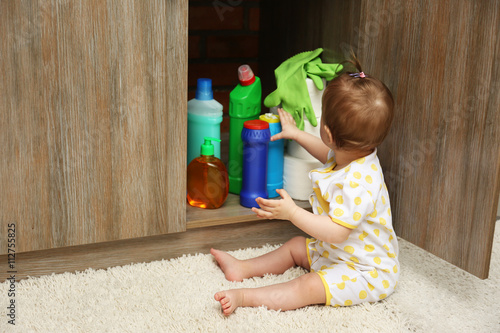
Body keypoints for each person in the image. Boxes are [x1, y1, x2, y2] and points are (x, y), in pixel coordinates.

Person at [211, 57, 399, 316]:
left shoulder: (360, 184)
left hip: (365, 271)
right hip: (338, 253)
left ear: (329, 133)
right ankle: (242, 269)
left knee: (307, 285)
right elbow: (328, 153)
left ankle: (245, 296)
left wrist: (293, 213)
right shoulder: (355, 152)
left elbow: (336, 232)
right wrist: (297, 133)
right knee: (296, 246)